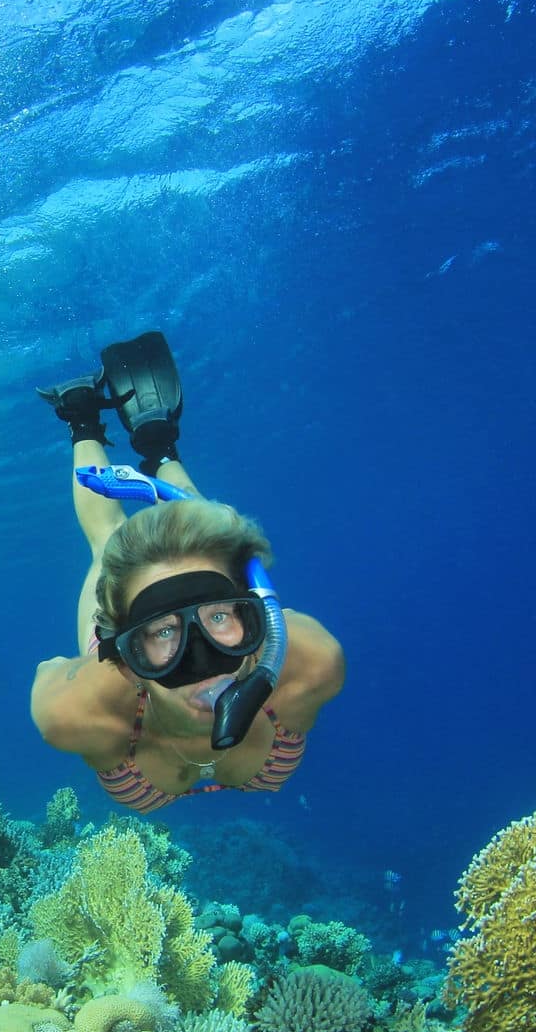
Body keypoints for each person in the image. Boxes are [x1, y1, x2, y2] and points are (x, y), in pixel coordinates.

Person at [29, 331, 345, 812]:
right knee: (106, 539)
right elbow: (50, 674)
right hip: (116, 678)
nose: (202, 662)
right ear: (120, 650)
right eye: (159, 631)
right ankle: (83, 419)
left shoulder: (312, 667)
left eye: (220, 616)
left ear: (257, 617)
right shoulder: (77, 713)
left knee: (198, 526)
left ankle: (158, 448)